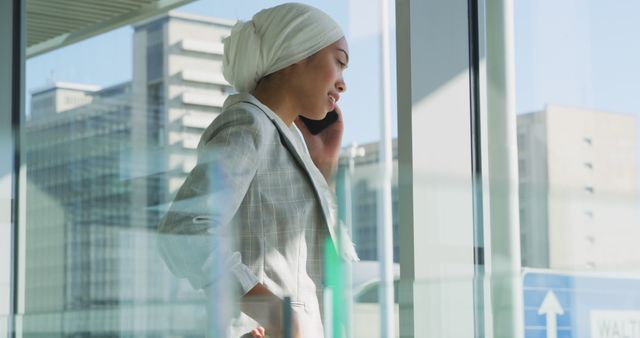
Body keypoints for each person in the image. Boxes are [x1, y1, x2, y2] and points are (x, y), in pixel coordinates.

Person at [157, 3, 358, 338]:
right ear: (296, 52)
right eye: (338, 62)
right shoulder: (248, 124)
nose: (343, 84)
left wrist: (322, 166)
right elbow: (183, 232)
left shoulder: (285, 138)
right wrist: (274, 314)